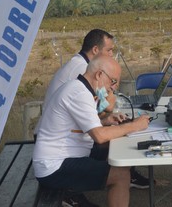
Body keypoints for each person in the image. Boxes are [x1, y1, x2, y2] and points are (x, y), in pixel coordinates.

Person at [33, 55, 150, 207]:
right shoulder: (79, 93)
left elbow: (80, 125)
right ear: (99, 74)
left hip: (65, 155)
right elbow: (99, 136)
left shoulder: (80, 88)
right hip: (54, 166)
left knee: (119, 153)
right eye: (113, 81)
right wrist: (135, 125)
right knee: (121, 176)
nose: (113, 87)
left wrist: (105, 121)